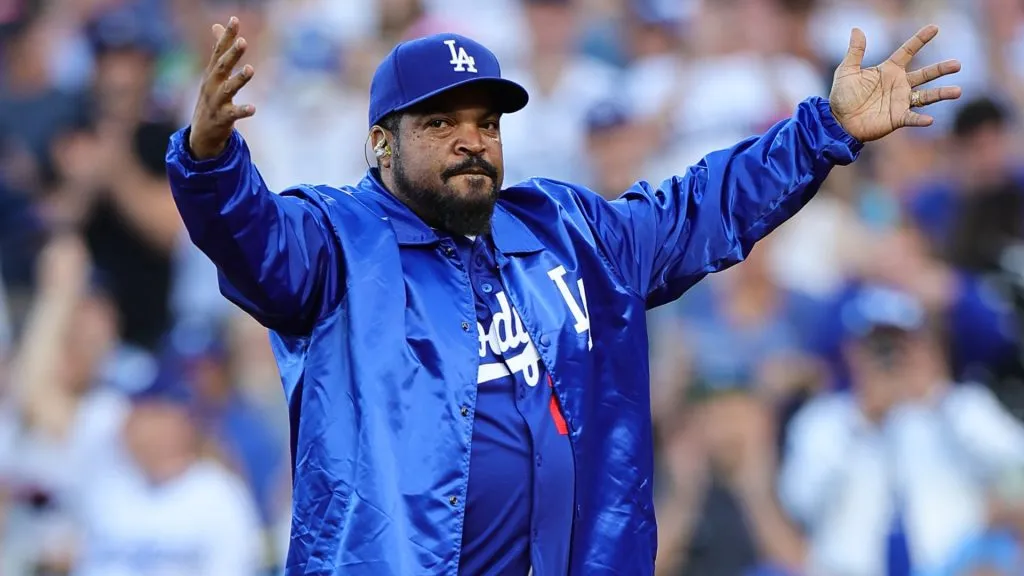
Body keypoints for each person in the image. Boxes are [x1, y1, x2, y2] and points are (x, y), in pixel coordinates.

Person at [165, 16, 962, 575]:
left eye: (486, 121)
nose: (473, 139)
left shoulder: (562, 228)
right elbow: (255, 243)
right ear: (380, 142)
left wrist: (825, 130)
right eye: (440, 123)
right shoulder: (336, 241)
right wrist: (208, 160)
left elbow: (699, 208)